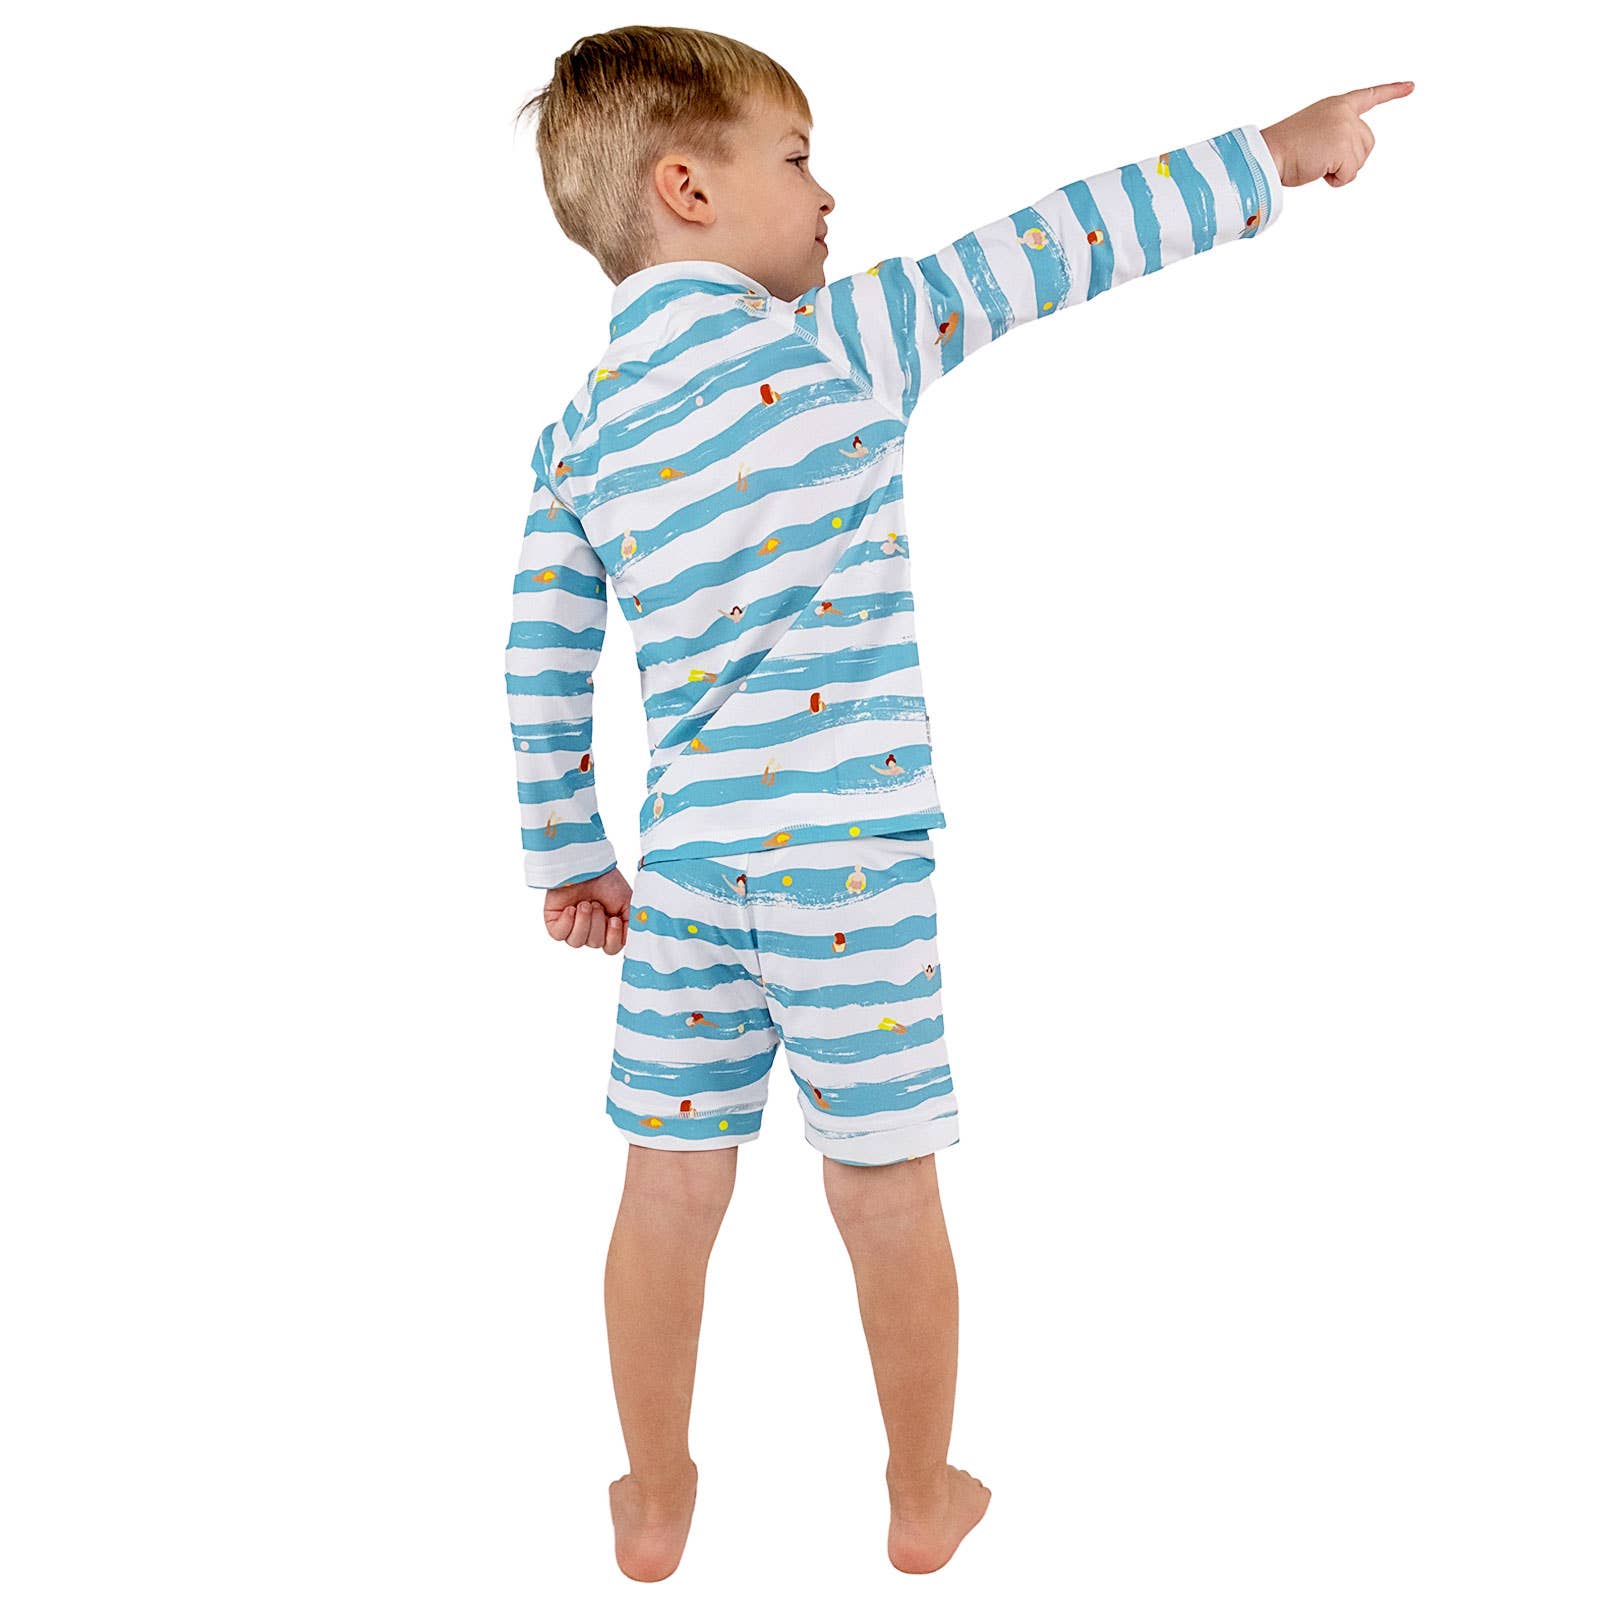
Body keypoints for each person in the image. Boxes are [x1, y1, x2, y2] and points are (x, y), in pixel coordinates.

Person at [505, 24, 1412, 1580]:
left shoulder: (579, 435)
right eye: (798, 159)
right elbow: (1054, 242)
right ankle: (922, 1499)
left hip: (691, 872)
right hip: (851, 867)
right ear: (687, 188)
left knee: (664, 1191)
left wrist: (572, 855)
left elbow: (540, 662)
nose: (828, 194)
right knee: (883, 1192)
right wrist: (1272, 153)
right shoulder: (840, 339)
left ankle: (653, 1500)